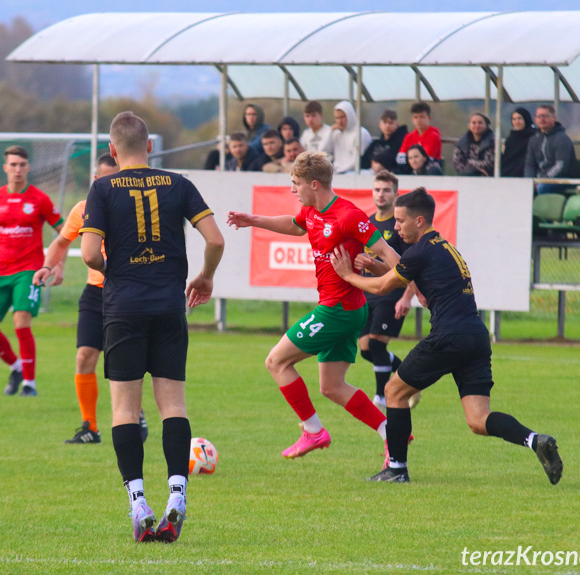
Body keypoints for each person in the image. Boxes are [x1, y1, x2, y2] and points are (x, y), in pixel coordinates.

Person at [330, 187, 563, 485]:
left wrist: (347, 274)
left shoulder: (419, 251)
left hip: (448, 335)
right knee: (478, 420)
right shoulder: (442, 247)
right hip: (476, 336)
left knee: (394, 391)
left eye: (400, 221)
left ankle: (397, 469)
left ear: (420, 221)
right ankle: (535, 440)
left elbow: (382, 288)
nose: (396, 227)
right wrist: (375, 266)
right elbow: (415, 281)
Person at [80, 111, 224, 543]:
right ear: (149, 147)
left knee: (125, 409)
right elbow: (216, 239)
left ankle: (138, 501)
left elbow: (89, 254)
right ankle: (177, 495)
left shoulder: (102, 187)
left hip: (123, 306)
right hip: (168, 307)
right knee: (173, 406)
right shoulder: (178, 183)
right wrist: (205, 277)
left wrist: (114, 271)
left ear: (111, 150)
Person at [227, 151, 401, 467]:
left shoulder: (349, 216)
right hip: (344, 309)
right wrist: (252, 220)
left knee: (276, 362)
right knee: (332, 387)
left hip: (338, 310)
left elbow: (389, 253)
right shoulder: (311, 210)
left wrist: (409, 289)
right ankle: (392, 433)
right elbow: (295, 227)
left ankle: (313, 430)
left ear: (315, 184)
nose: (293, 189)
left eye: (296, 184)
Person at [33, 154, 149, 445]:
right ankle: (90, 428)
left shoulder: (134, 207)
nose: (111, 183)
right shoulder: (83, 209)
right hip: (95, 293)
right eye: (105, 178)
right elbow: (61, 241)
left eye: (116, 178)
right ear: (97, 180)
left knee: (123, 360)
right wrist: (48, 266)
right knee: (85, 356)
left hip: (126, 293)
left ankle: (137, 412)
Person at [0, 145, 64, 397]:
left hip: (29, 271)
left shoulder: (39, 199)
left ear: (29, 168)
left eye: (22, 165)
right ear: (5, 168)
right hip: (0, 272)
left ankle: (29, 384)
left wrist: (58, 265)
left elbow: (64, 232)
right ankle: (16, 367)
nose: (17, 169)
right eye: (12, 165)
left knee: (20, 321)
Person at [357, 171, 419, 411]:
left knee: (376, 345)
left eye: (385, 190)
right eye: (377, 190)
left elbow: (411, 264)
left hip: (392, 293)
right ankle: (411, 380)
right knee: (364, 349)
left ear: (396, 194)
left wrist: (406, 297)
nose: (380, 194)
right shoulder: (366, 222)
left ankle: (381, 396)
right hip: (368, 293)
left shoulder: (400, 225)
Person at [524, 104, 577, 195]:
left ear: (554, 118)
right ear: (535, 119)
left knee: (542, 187)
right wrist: (530, 181)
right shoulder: (534, 139)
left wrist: (542, 180)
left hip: (562, 180)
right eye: (539, 116)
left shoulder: (562, 139)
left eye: (545, 116)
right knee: (522, 187)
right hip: (540, 179)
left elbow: (561, 166)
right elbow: (529, 164)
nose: (542, 119)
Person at [328, 101, 372, 174]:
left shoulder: (361, 133)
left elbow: (358, 161)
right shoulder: (336, 133)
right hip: (337, 172)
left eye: (342, 117)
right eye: (337, 118)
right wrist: (330, 132)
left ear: (350, 116)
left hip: (355, 173)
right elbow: (323, 151)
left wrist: (340, 171)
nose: (339, 121)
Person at [397, 102, 442, 168]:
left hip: (429, 169)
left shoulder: (434, 136)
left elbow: (425, 159)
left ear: (429, 118)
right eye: (415, 117)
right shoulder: (409, 136)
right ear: (412, 120)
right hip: (410, 168)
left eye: (422, 117)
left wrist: (409, 159)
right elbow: (400, 158)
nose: (418, 120)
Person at [500, 107, 536, 178]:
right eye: (514, 119)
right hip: (507, 175)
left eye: (520, 118)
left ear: (526, 119)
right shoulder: (510, 138)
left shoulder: (534, 136)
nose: (517, 122)